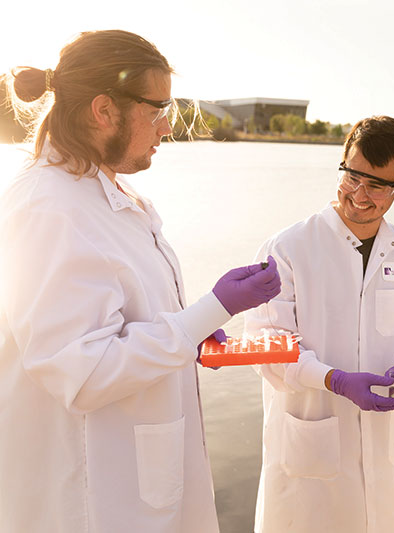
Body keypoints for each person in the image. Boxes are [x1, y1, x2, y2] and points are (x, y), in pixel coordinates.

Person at [0, 30, 281, 533]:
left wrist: (192, 333)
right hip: (92, 501)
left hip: (139, 478)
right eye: (157, 110)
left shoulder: (105, 191)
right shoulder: (50, 206)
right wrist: (211, 309)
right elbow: (83, 372)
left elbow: (128, 319)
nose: (168, 127)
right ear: (104, 110)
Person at [244, 116, 394, 533]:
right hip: (309, 446)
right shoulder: (288, 248)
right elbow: (267, 347)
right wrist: (333, 380)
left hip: (385, 447)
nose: (360, 194)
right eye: (352, 176)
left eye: (377, 185)